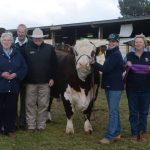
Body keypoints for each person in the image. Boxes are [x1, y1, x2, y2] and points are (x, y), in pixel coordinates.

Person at [92, 33, 124, 144]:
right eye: (110, 41)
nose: (111, 43)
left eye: (113, 41)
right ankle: (117, 132)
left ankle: (109, 136)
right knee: (114, 110)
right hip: (110, 86)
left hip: (114, 87)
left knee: (113, 112)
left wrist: (94, 63)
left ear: (117, 42)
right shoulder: (110, 53)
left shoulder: (115, 54)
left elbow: (106, 69)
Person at [23, 28, 57, 132]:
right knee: (30, 104)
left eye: (39, 37)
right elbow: (23, 65)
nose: (38, 39)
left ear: (43, 38)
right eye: (35, 38)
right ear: (32, 38)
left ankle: (41, 125)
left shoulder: (50, 48)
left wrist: (52, 77)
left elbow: (54, 65)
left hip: (45, 82)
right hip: (30, 83)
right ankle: (31, 125)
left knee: (43, 104)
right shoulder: (26, 48)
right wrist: (24, 80)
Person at [0, 32, 27, 137]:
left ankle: (9, 129)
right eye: (4, 40)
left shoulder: (17, 54)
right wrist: (1, 74)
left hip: (13, 87)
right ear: (1, 42)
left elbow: (24, 68)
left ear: (12, 42)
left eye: (8, 40)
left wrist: (16, 74)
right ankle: (1, 127)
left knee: (11, 109)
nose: (6, 42)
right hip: (1, 86)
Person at [125, 34, 150, 143]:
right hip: (132, 89)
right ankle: (134, 133)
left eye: (140, 42)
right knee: (133, 112)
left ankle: (142, 133)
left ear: (144, 43)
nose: (138, 43)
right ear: (134, 44)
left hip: (146, 89)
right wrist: (126, 64)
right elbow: (122, 66)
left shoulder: (149, 55)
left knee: (144, 113)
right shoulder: (129, 55)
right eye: (136, 42)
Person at [14, 24, 30, 130]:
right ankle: (14, 121)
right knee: (13, 100)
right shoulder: (11, 43)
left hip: (26, 77)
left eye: (23, 32)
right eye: (19, 32)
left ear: (26, 32)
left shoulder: (30, 44)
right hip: (13, 78)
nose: (21, 34)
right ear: (17, 32)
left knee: (25, 101)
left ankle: (23, 122)